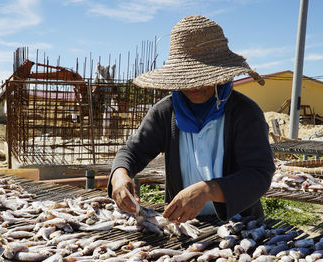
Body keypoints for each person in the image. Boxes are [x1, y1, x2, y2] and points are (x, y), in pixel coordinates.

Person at [107, 15, 275, 222]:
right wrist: (120, 175)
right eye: (187, 80)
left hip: (241, 224)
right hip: (183, 224)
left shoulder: (245, 113)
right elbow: (132, 151)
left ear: (220, 75)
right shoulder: (165, 112)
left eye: (204, 78)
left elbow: (259, 175)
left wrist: (207, 190)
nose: (194, 87)